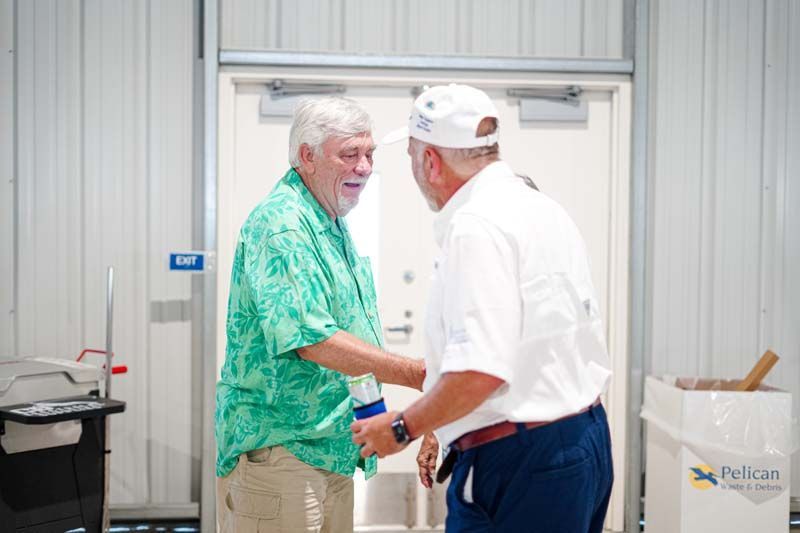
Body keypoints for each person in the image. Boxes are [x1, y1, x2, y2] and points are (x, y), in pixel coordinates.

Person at [351, 84, 613, 533]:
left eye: (412, 156)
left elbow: (481, 371)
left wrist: (401, 428)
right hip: (582, 441)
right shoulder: (541, 208)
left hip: (519, 462)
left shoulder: (476, 229)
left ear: (430, 161)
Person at [215, 96, 425, 533]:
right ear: (307, 156)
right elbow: (312, 339)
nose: (365, 167)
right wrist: (416, 374)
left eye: (369, 154)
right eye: (350, 154)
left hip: (328, 448)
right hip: (283, 451)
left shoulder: (329, 221)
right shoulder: (284, 225)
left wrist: (371, 414)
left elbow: (352, 331)